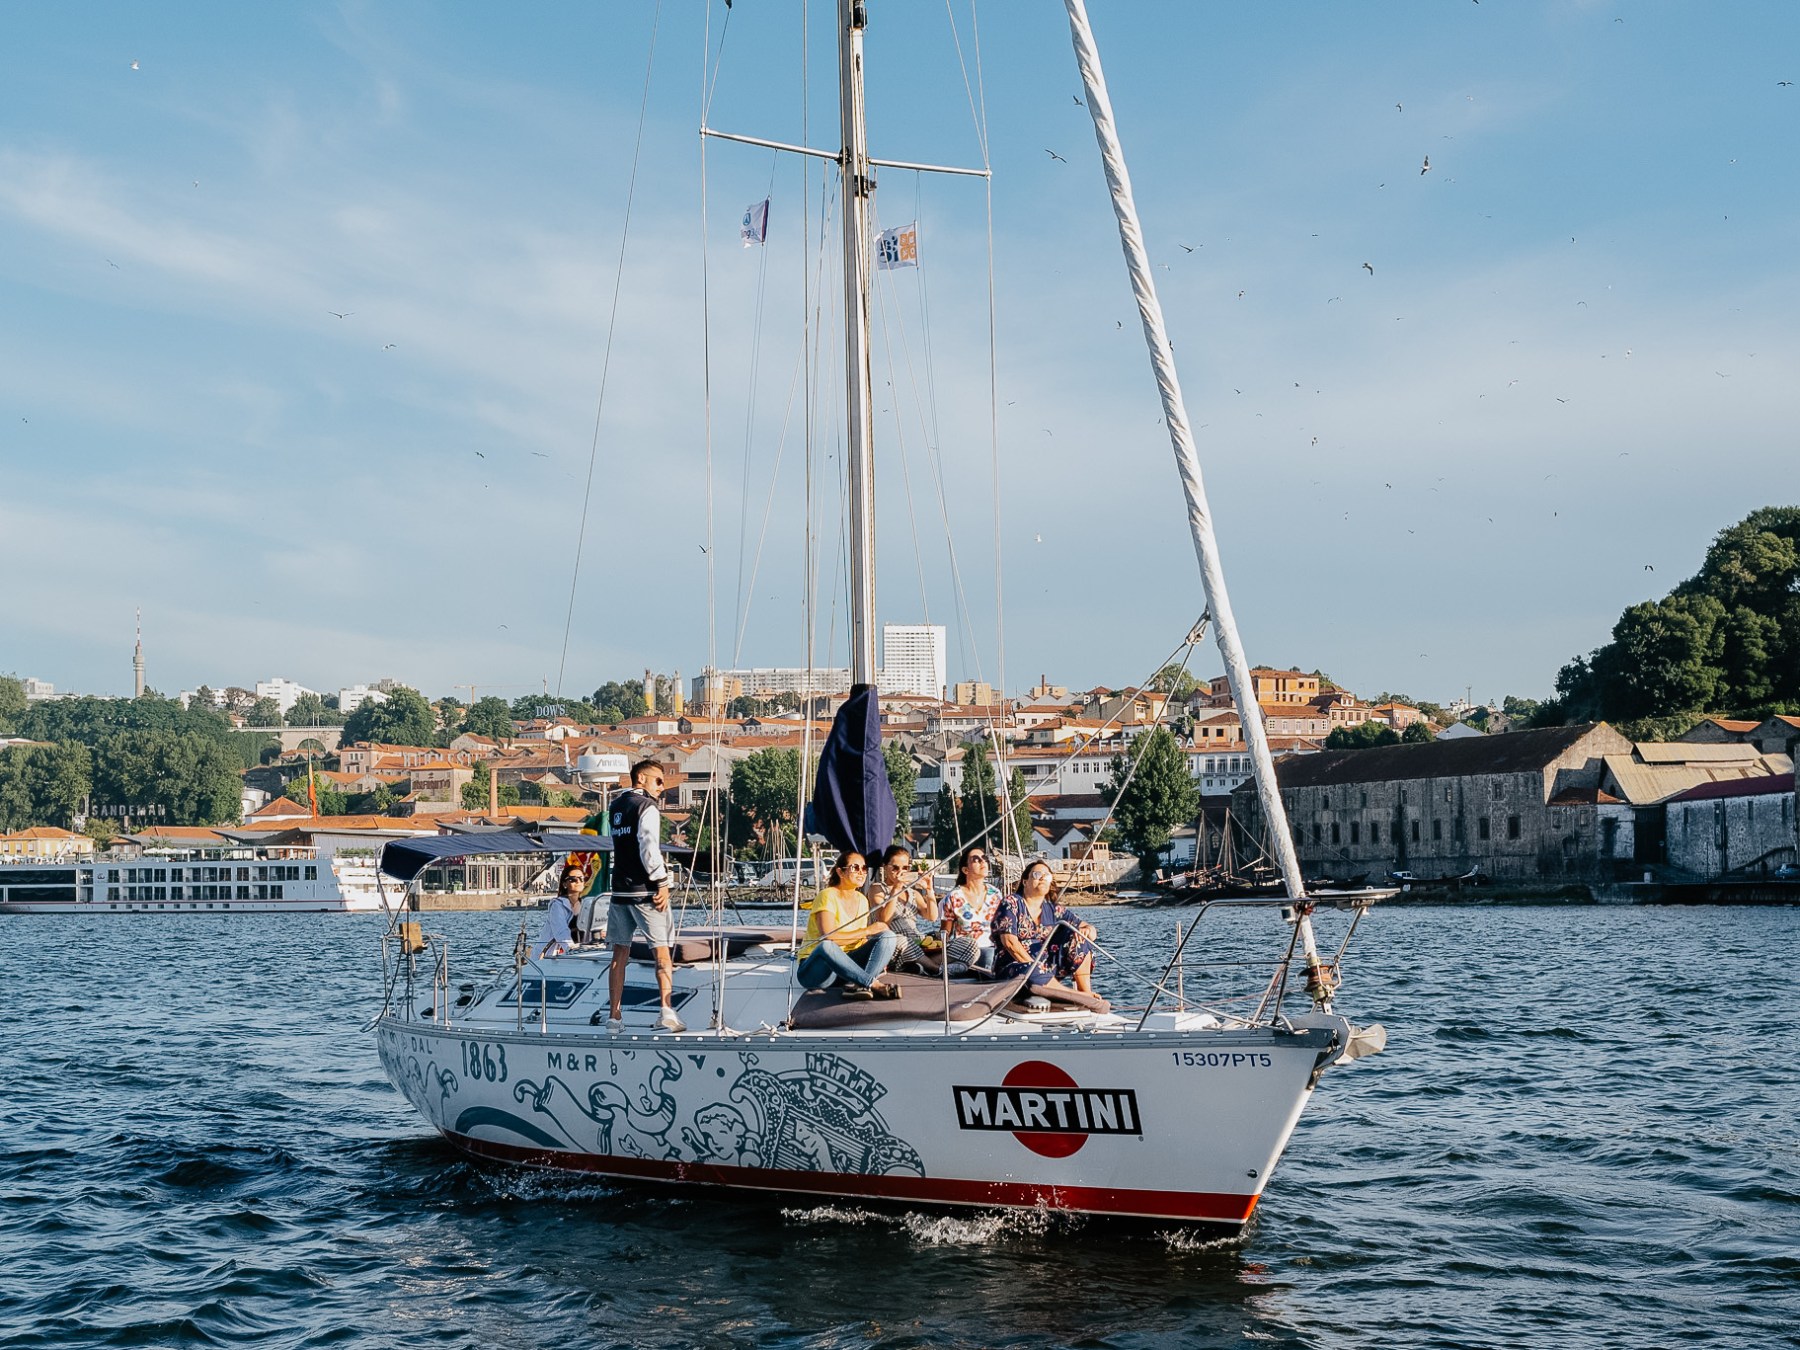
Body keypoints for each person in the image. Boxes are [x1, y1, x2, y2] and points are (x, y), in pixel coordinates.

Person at [605, 759, 685, 1033]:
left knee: (619, 953)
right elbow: (648, 846)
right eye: (658, 781)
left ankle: (614, 1017)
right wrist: (662, 881)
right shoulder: (646, 806)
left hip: (619, 891)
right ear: (641, 778)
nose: (662, 787)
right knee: (662, 951)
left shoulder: (615, 806)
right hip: (645, 890)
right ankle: (666, 1012)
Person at [797, 851, 901, 999]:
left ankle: (860, 986)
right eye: (855, 868)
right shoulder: (827, 895)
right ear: (840, 872)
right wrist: (868, 930)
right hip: (818, 973)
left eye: (864, 868)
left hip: (847, 971)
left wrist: (878, 950)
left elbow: (861, 940)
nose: (861, 872)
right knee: (827, 945)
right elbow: (830, 937)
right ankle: (872, 984)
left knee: (888, 936)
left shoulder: (862, 900)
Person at [992, 858, 1099, 995]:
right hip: (1016, 967)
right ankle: (1074, 995)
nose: (1042, 878)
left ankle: (1085, 992)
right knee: (1031, 969)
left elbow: (1091, 932)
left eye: (1046, 875)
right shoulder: (1012, 903)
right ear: (1025, 882)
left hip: (1046, 968)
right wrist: (1036, 968)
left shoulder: (1054, 910)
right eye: (1037, 875)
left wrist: (1086, 930)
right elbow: (1009, 942)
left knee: (1081, 940)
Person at [872, 844, 978, 975]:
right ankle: (937, 969)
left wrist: (929, 889)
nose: (900, 872)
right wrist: (896, 889)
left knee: (969, 944)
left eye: (905, 868)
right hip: (896, 945)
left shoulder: (913, 893)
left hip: (918, 944)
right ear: (884, 866)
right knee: (899, 940)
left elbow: (932, 917)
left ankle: (922, 966)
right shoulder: (877, 889)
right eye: (895, 868)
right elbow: (884, 921)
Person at [942, 845, 1002, 973]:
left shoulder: (996, 894)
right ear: (965, 870)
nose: (983, 861)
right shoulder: (954, 896)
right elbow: (945, 933)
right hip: (965, 950)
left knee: (990, 955)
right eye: (976, 859)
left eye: (984, 858)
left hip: (991, 947)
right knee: (987, 957)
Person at [536, 864, 586, 958]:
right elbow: (561, 931)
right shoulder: (557, 905)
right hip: (549, 957)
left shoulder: (586, 904)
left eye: (581, 878)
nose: (578, 881)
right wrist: (572, 949)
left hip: (582, 953)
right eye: (573, 879)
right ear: (564, 884)